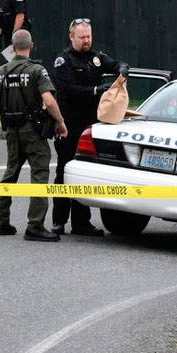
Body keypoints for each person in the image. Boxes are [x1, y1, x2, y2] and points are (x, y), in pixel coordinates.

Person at [50, 18, 127, 235]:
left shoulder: (96, 57)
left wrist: (122, 68)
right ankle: (59, 221)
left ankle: (81, 223)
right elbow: (67, 88)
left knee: (85, 172)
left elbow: (114, 63)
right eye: (82, 37)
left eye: (89, 36)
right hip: (68, 125)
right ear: (71, 37)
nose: (86, 41)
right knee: (64, 172)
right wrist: (95, 90)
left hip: (91, 125)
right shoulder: (63, 61)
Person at [0, 29, 68, 241]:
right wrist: (60, 122)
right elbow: (49, 101)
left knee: (11, 172)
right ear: (31, 46)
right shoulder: (36, 70)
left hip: (11, 131)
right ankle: (35, 225)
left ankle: (1, 222)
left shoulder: (0, 72)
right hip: (32, 131)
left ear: (13, 48)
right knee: (40, 174)